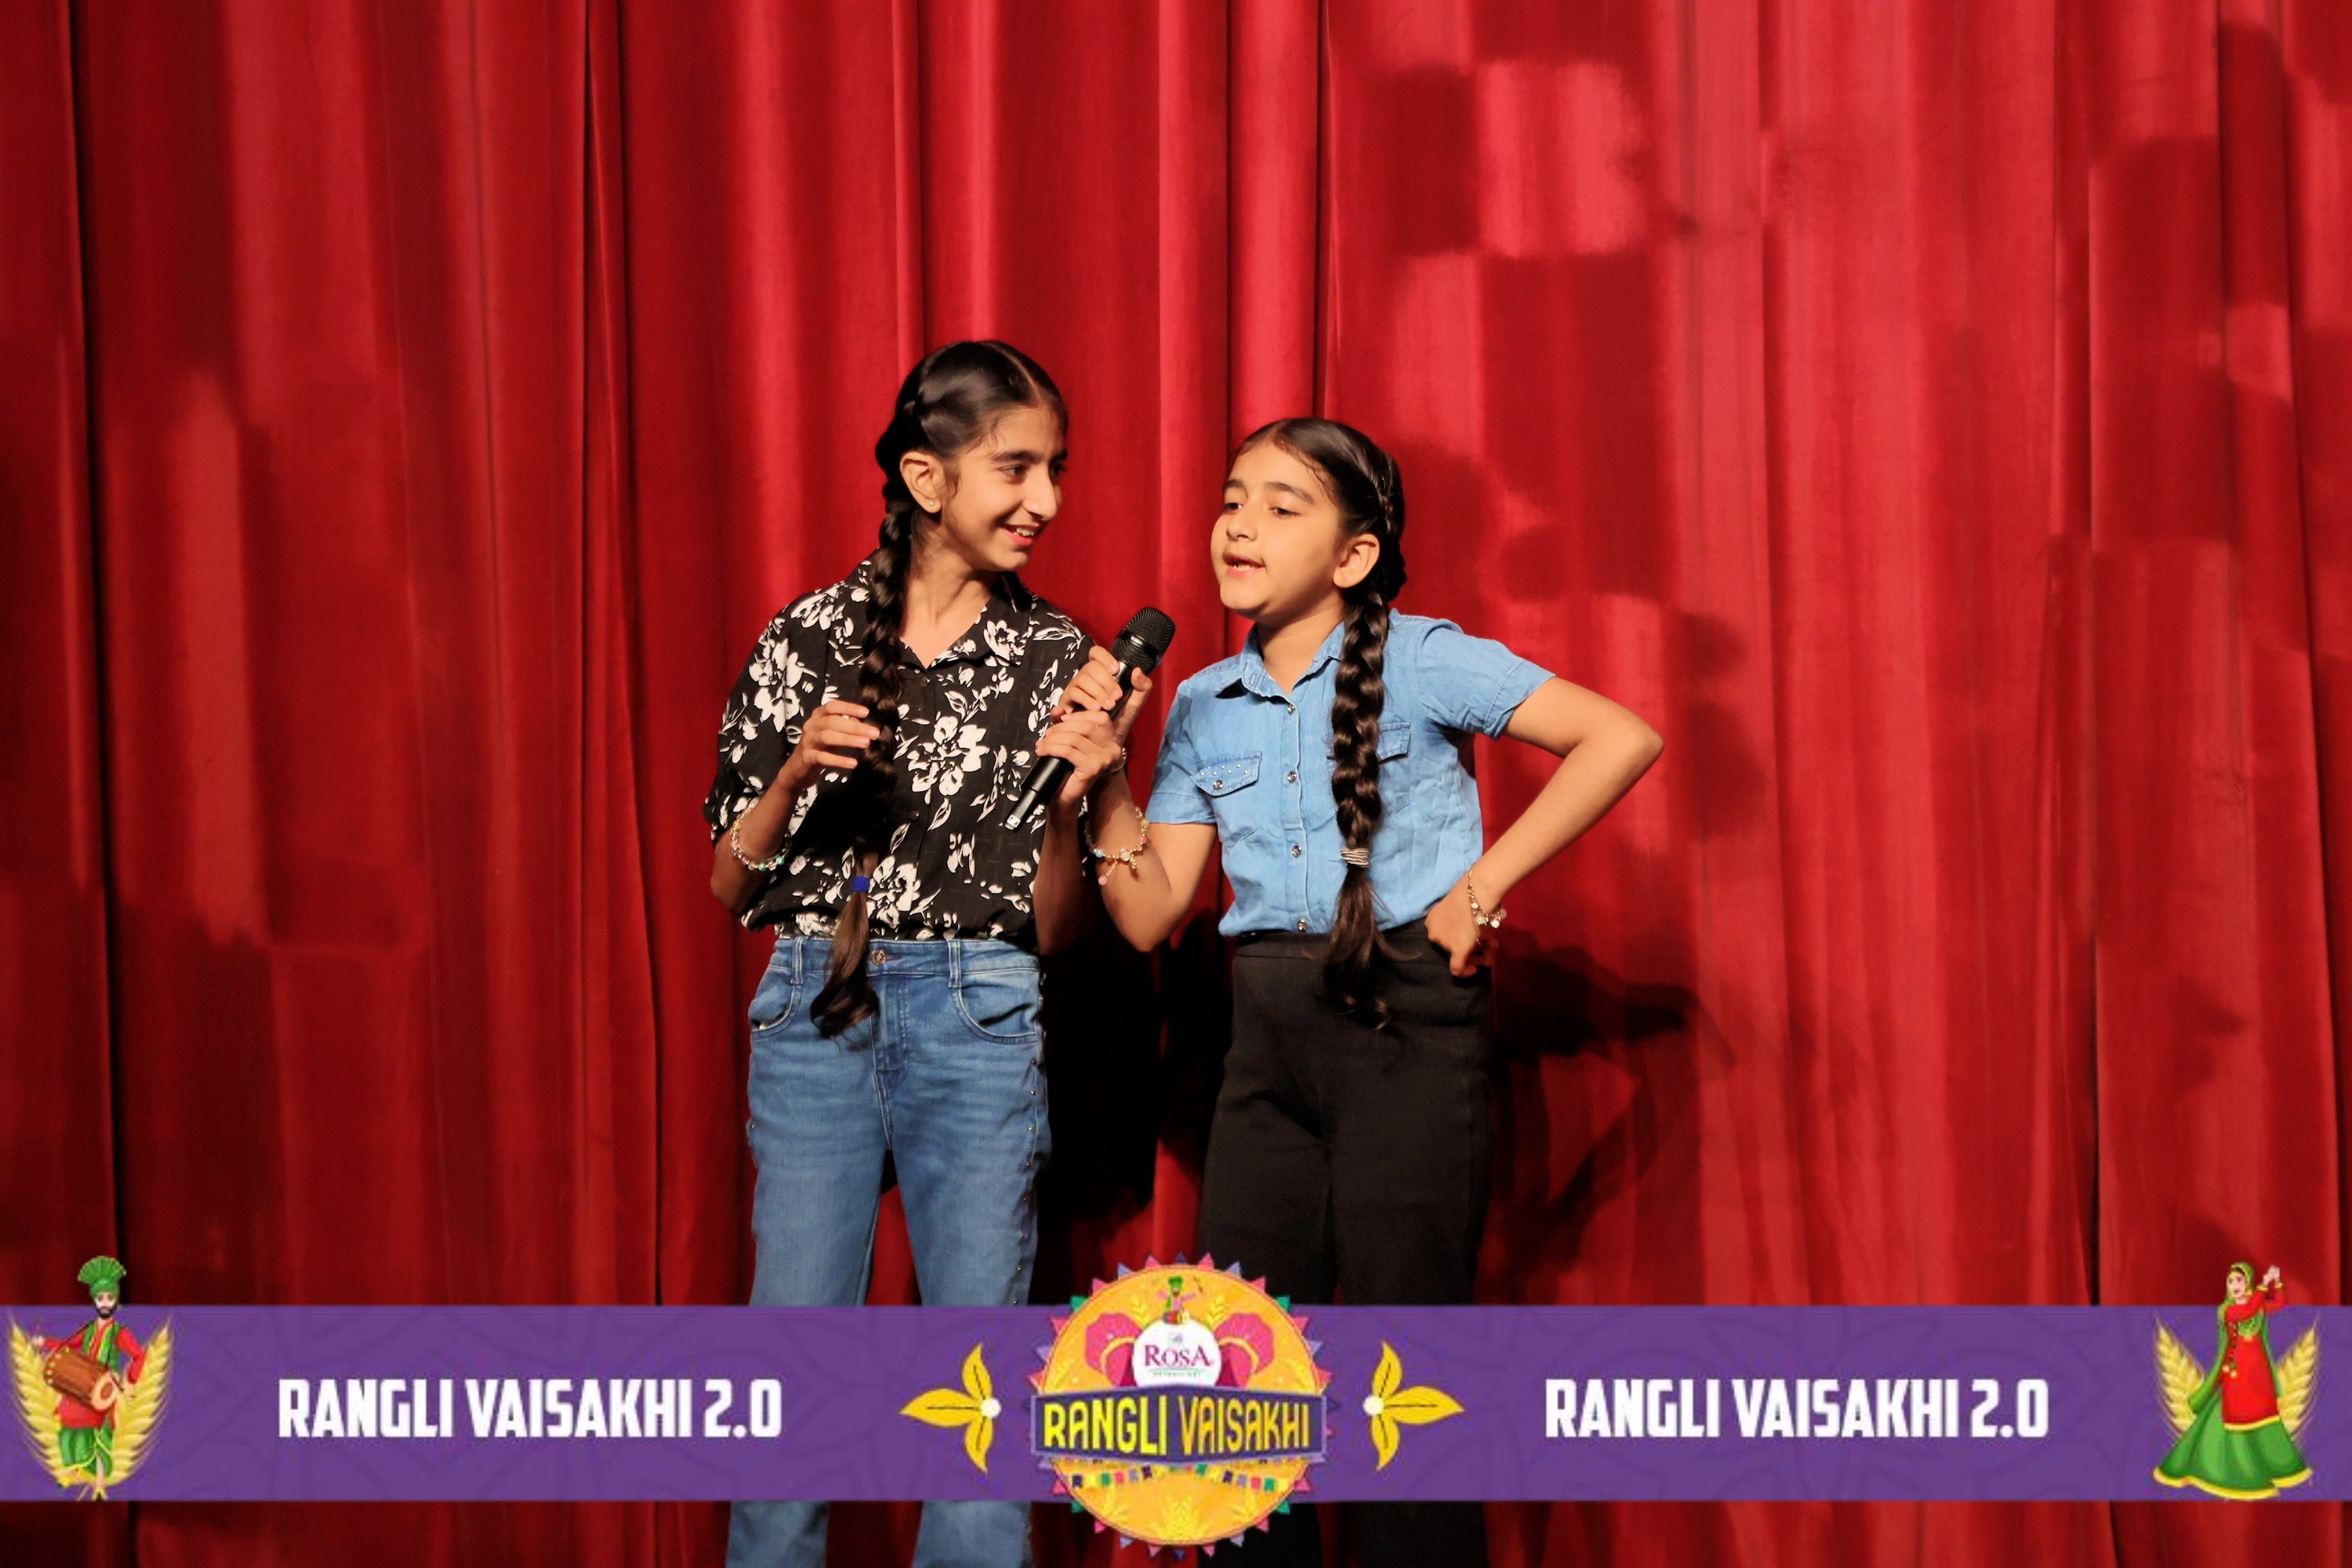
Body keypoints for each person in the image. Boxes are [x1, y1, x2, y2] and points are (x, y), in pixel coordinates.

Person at [1059, 416, 1662, 1566]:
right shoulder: (1202, 702)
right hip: (1264, 1040)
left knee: (1404, 1370)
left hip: (1407, 1027)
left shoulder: (1426, 659)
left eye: (1282, 506)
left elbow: (1617, 736)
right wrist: (1107, 783)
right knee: (1244, 1382)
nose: (1241, 524)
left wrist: (1481, 890)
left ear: (1354, 554)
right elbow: (1146, 912)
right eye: (1232, 499)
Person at [705, 340, 1127, 1568]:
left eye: (1057, 470)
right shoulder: (809, 634)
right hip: (813, 1001)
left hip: (979, 1006)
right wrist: (795, 772)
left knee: (977, 1383)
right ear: (926, 478)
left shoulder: (1058, 658)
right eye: (1017, 468)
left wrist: (1073, 799)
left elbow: (1055, 931)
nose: (1046, 499)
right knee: (793, 1364)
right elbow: (729, 882)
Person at [2154, 1262, 2313, 1498]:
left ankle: (2276, 1463)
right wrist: (2263, 1286)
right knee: (2236, 1414)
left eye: (2239, 1280)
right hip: (2237, 1374)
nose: (2234, 1285)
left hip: (2258, 1374)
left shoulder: (2256, 1306)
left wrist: (2276, 1282)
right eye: (2230, 1281)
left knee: (2265, 1414)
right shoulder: (2227, 1310)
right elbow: (2246, 1311)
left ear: (2246, 1283)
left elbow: (2278, 1304)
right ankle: (2234, 1468)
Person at [31, 1255, 147, 1483]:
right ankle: (72, 1471)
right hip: (81, 1383)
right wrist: (45, 1343)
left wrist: (130, 1382)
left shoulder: (120, 1333)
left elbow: (139, 1356)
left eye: (109, 1298)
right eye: (100, 1298)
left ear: (115, 1301)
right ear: (95, 1301)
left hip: (104, 1389)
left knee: (95, 1433)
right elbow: (67, 1346)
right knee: (67, 1427)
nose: (105, 1302)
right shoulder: (89, 1329)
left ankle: (100, 1477)